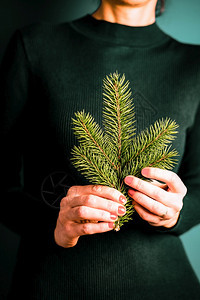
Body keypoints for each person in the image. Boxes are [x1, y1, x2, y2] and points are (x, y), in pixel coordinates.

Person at [0, 0, 200, 299]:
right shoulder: (35, 45)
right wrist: (53, 224)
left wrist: (174, 214)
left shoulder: (194, 64)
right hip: (55, 284)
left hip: (165, 286)